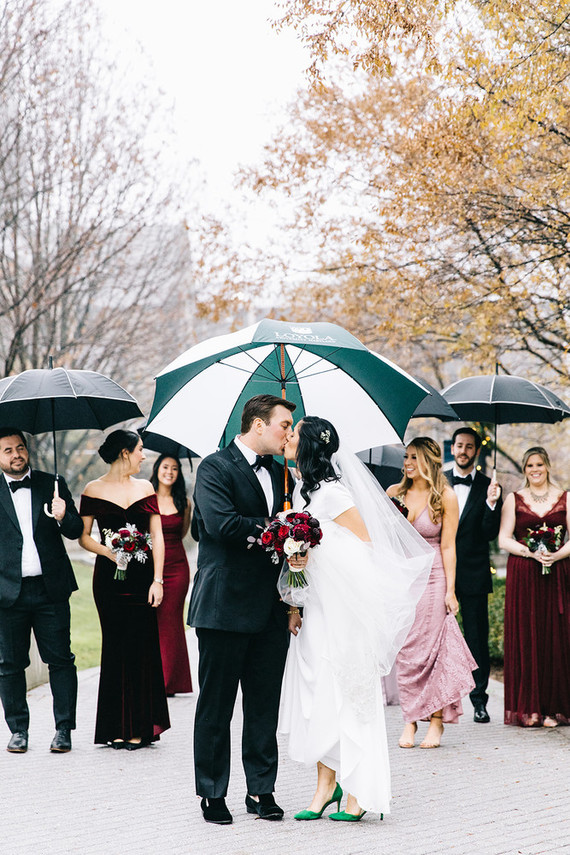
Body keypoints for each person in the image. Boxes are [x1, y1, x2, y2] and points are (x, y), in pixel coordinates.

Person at [279, 417, 433, 821]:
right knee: (319, 693)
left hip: (343, 612)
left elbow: (364, 545)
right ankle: (325, 785)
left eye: (293, 434)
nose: (287, 438)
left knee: (348, 694)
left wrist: (313, 551)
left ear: (309, 445)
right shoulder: (302, 490)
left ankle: (358, 793)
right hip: (317, 609)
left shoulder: (333, 493)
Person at [190, 393, 296, 825]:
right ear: (257, 424)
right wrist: (281, 527)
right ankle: (213, 794)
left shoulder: (281, 474)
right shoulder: (214, 467)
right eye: (285, 424)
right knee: (216, 706)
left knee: (263, 705)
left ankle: (261, 789)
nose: (289, 432)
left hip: (271, 606)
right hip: (224, 605)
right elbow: (222, 525)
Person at [79, 429, 170, 749]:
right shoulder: (93, 488)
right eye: (140, 450)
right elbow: (84, 536)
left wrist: (158, 580)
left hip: (143, 578)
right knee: (116, 648)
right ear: (124, 453)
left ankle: (140, 728)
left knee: (142, 648)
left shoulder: (146, 487)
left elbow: (157, 536)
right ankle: (115, 728)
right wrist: (109, 551)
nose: (144, 456)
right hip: (109, 579)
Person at [388, 437, 477, 749]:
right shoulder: (394, 493)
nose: (407, 463)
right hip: (403, 580)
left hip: (434, 577)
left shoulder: (445, 497)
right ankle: (410, 720)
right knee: (407, 652)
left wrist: (450, 590)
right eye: (406, 457)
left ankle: (436, 721)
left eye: (413, 457)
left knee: (433, 652)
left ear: (428, 460)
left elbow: (449, 545)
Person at [0, 428, 82, 754]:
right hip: (9, 594)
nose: (16, 454)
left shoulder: (53, 483)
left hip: (51, 590)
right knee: (10, 665)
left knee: (61, 661)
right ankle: (18, 730)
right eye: (7, 450)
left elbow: (76, 531)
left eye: (20, 448)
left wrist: (64, 516)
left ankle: (64, 730)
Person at [498, 446, 570, 727]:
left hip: (557, 574)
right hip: (524, 575)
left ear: (548, 466)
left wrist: (556, 554)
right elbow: (504, 538)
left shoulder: (565, 498)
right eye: (529, 466)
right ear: (524, 470)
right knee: (528, 636)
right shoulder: (513, 499)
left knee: (556, 637)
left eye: (539, 464)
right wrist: (530, 552)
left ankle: (553, 709)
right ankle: (530, 709)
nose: (535, 470)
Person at [447, 427, 502, 723]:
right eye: (460, 445)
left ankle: (479, 701)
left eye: (470, 446)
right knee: (436, 638)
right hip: (440, 573)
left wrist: (492, 503)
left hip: (474, 573)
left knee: (477, 639)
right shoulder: (438, 481)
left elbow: (489, 533)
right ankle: (439, 702)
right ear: (452, 448)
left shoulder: (488, 487)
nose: (464, 451)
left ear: (477, 452)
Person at [150, 454, 193, 695]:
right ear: (157, 470)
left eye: (175, 468)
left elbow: (183, 531)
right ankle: (152, 677)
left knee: (171, 620)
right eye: (165, 467)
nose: (170, 472)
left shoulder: (184, 502)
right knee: (152, 621)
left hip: (177, 566)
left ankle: (170, 682)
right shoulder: (145, 498)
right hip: (151, 566)